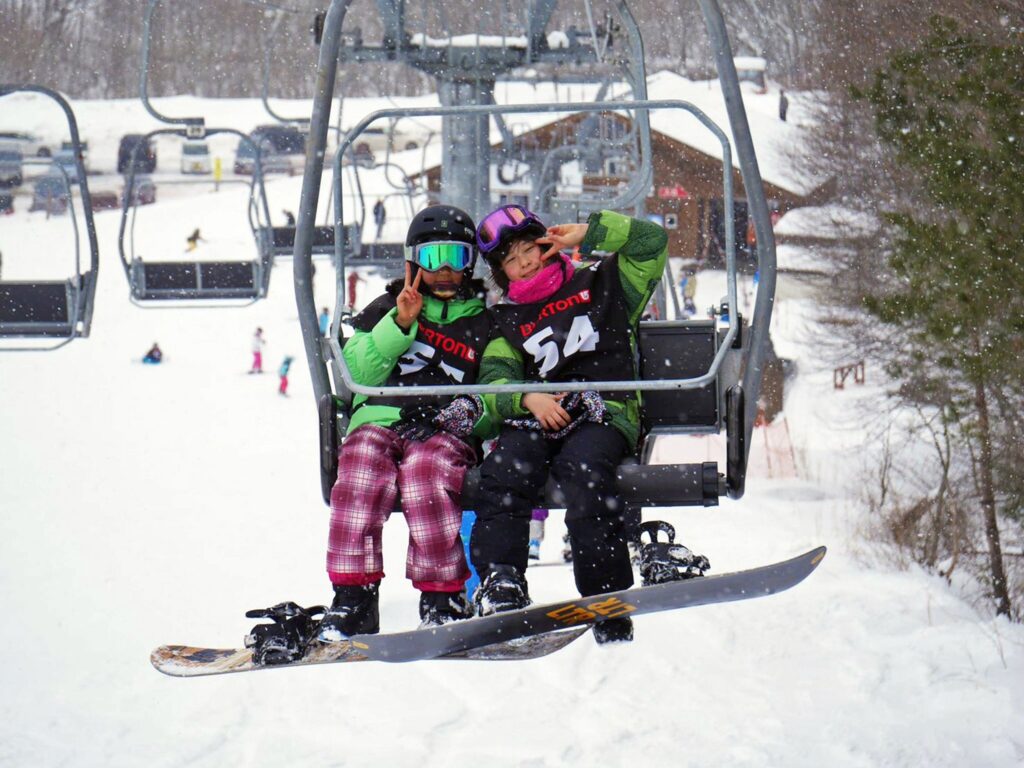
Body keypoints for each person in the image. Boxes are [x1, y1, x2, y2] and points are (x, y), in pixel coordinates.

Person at [468, 204, 670, 645]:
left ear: (547, 243)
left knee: (586, 472)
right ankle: (502, 579)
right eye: (511, 260)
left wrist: (591, 232)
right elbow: (493, 379)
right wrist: (526, 396)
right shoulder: (506, 321)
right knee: (506, 467)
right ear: (502, 273)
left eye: (529, 249)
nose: (525, 263)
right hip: (542, 413)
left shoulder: (604, 283)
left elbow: (652, 243)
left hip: (603, 408)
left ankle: (604, 594)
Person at [317, 204, 496, 641]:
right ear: (414, 260)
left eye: (457, 258)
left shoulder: (486, 323)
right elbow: (356, 373)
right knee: (359, 473)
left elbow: (497, 391)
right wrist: (400, 323)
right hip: (378, 418)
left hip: (444, 429)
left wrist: (463, 415)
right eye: (435, 259)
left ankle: (442, 596)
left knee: (425, 477)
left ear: (471, 262)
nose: (446, 272)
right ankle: (354, 598)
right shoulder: (387, 307)